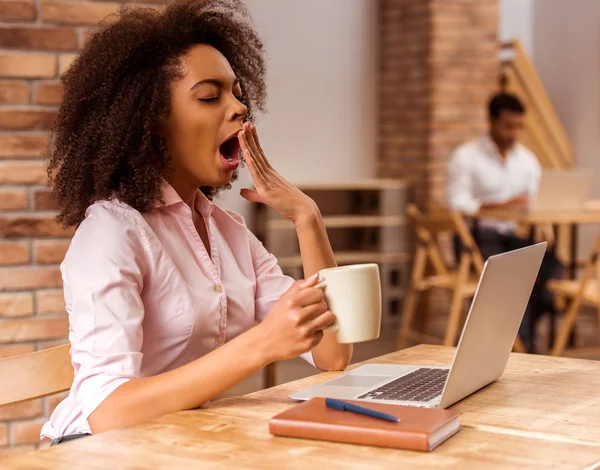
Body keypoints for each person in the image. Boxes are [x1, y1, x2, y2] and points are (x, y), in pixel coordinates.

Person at [41, 0, 352, 444]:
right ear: (150, 121)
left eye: (238, 94)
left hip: (178, 443)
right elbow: (107, 409)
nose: (239, 109)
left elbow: (333, 352)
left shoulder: (229, 233)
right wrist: (264, 342)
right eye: (210, 96)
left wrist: (308, 218)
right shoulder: (112, 232)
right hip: (97, 451)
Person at [446, 92, 563, 352]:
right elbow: (456, 203)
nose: (514, 133)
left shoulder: (527, 160)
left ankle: (521, 337)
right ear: (491, 121)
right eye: (507, 126)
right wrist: (503, 205)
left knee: (552, 268)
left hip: (511, 237)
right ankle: (522, 344)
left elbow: (533, 200)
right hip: (476, 238)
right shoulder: (466, 156)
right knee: (510, 276)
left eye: (519, 126)